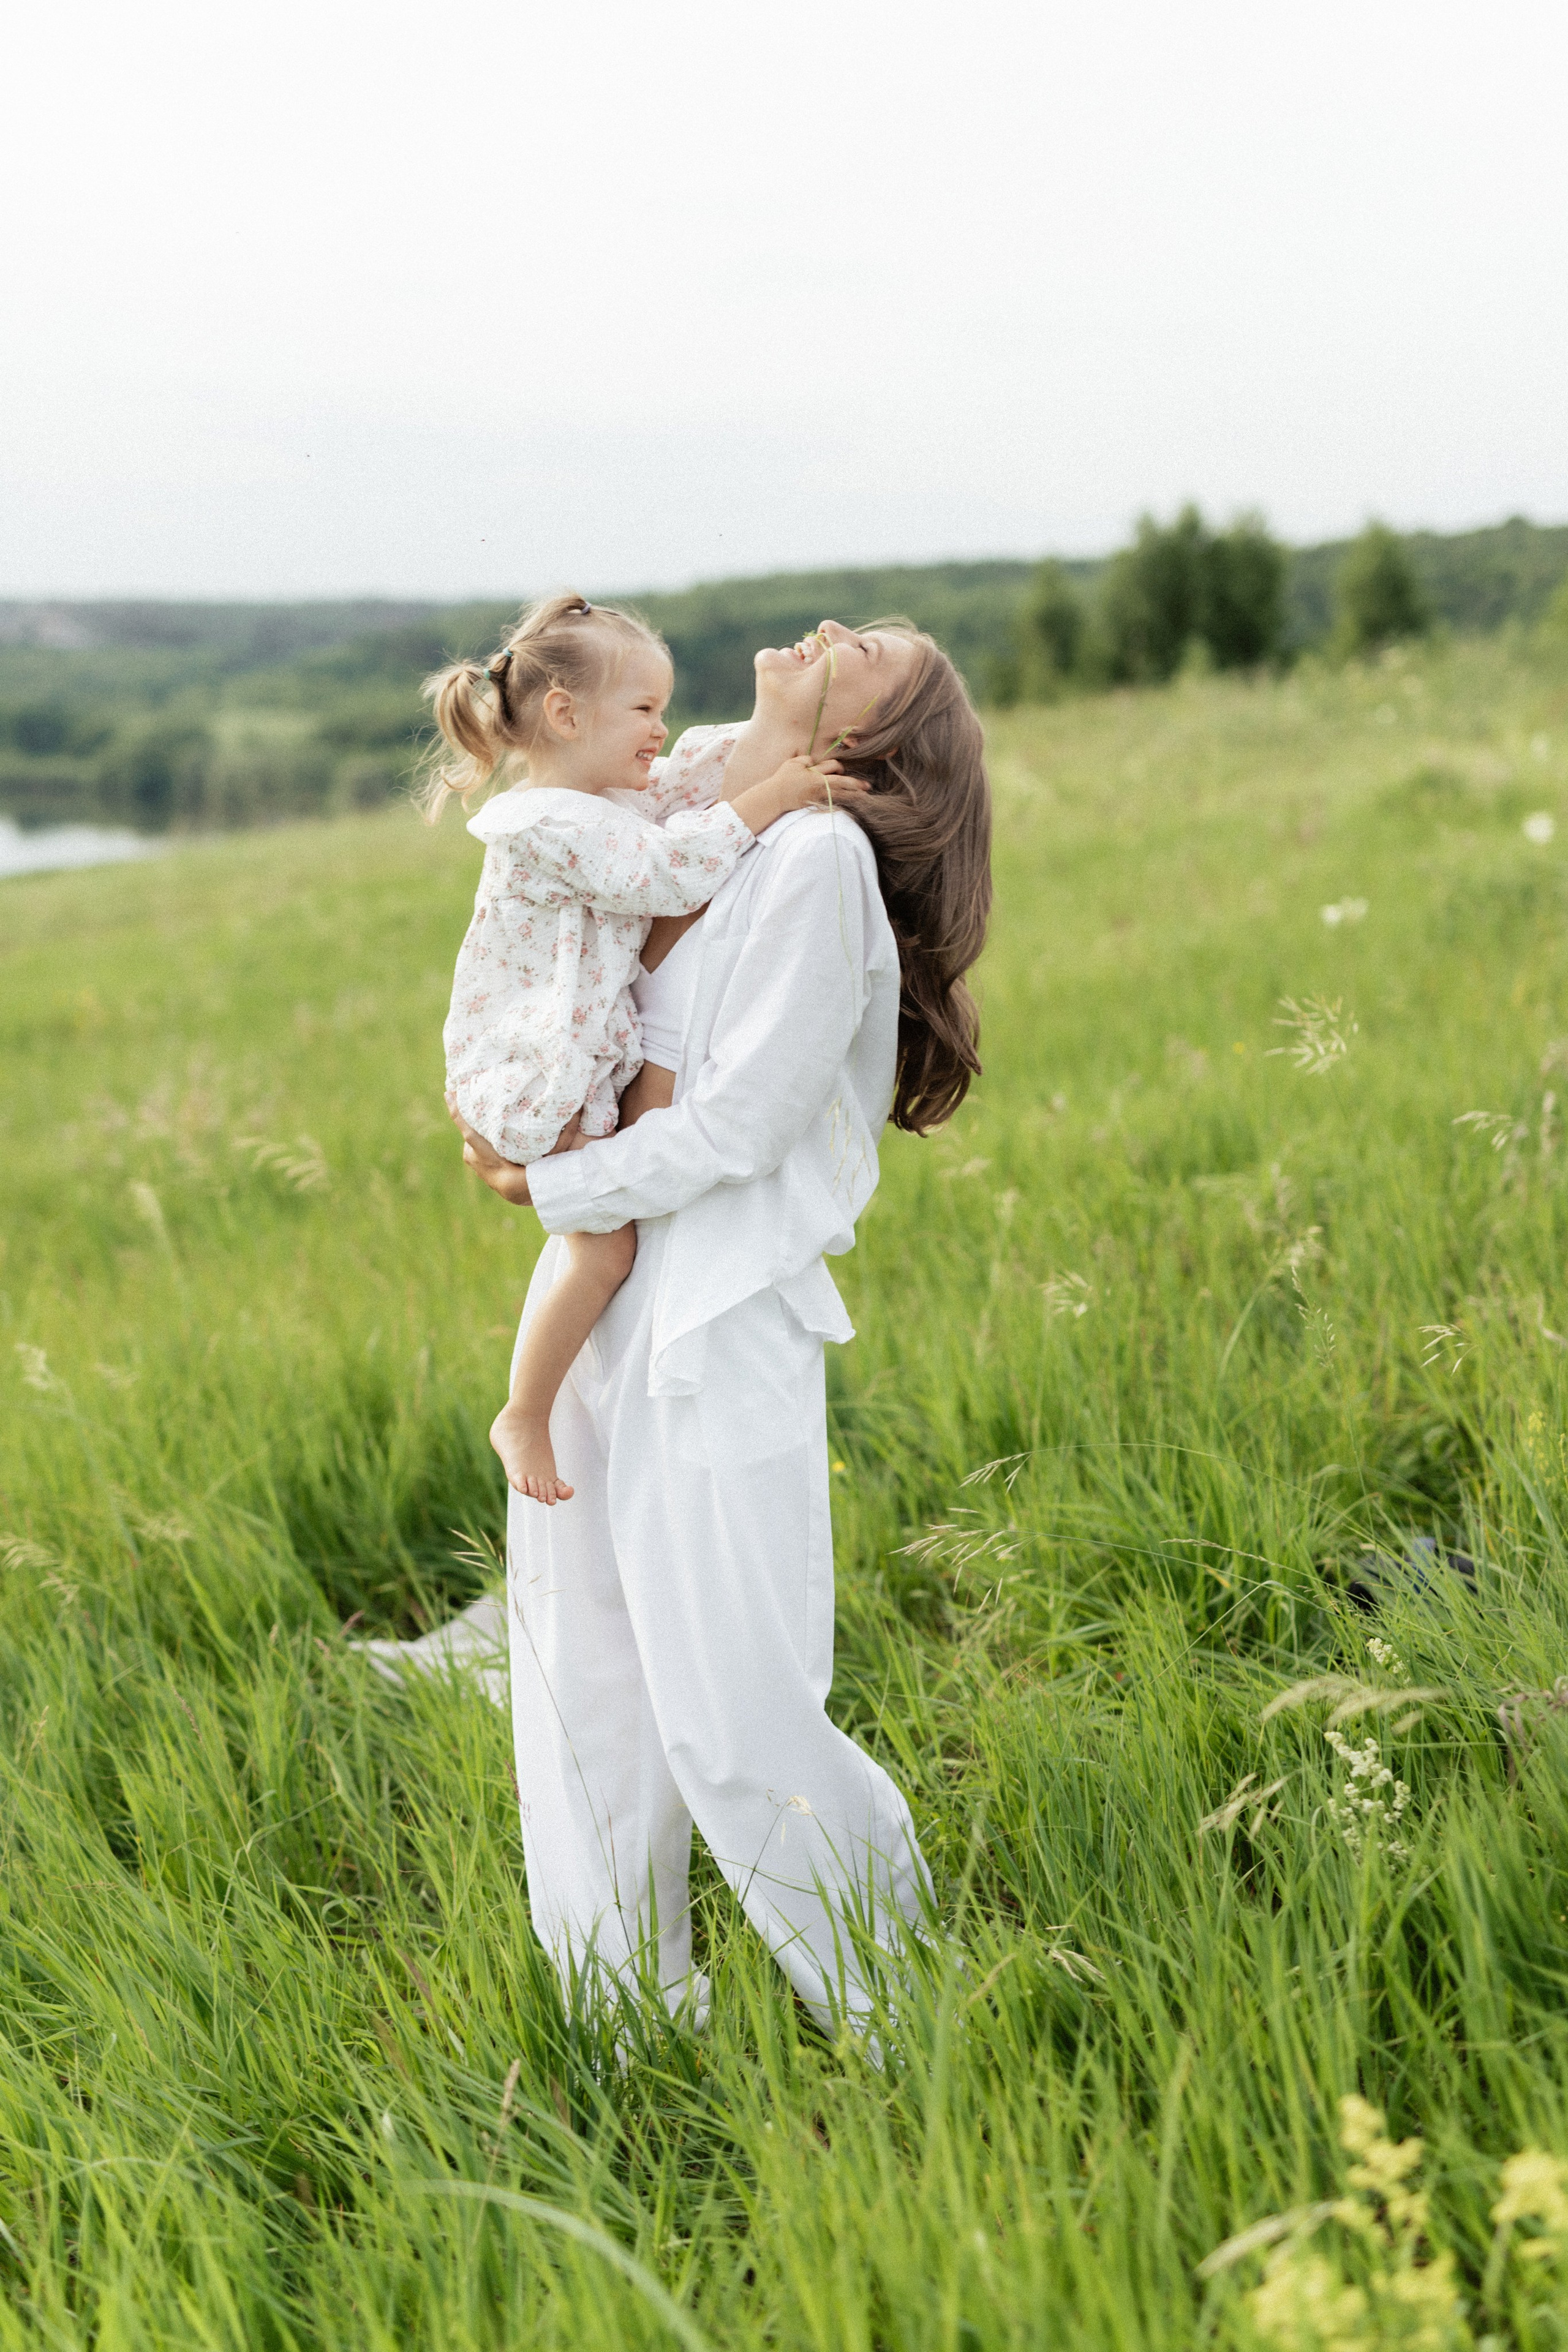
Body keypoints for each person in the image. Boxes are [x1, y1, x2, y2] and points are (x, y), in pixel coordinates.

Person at [451, 616, 993, 2035]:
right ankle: (625, 2021)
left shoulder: (815, 861)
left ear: (870, 734)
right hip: (599, 1288)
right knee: (584, 1679)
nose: (830, 630)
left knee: (729, 1700)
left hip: (710, 1311)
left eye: (867, 650)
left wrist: (546, 1177)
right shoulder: (690, 794)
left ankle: (899, 2013)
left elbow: (741, 1127)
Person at [424, 590, 858, 1506]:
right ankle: (525, 1410)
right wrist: (775, 796)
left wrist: (770, 731)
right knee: (605, 1252)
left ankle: (544, 1408)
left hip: (566, 1051)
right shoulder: (548, 823)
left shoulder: (594, 796)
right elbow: (664, 873)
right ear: (565, 714)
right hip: (535, 1065)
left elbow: (691, 781)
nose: (662, 730)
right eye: (645, 711)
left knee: (606, 1246)